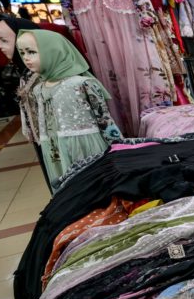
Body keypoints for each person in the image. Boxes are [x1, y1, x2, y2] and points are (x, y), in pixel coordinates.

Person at [16, 29, 122, 188]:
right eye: (22, 53)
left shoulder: (82, 83)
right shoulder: (38, 89)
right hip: (55, 150)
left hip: (86, 149)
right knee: (70, 191)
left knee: (95, 188)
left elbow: (105, 119)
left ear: (53, 51)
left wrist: (120, 148)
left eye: (31, 52)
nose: (26, 58)